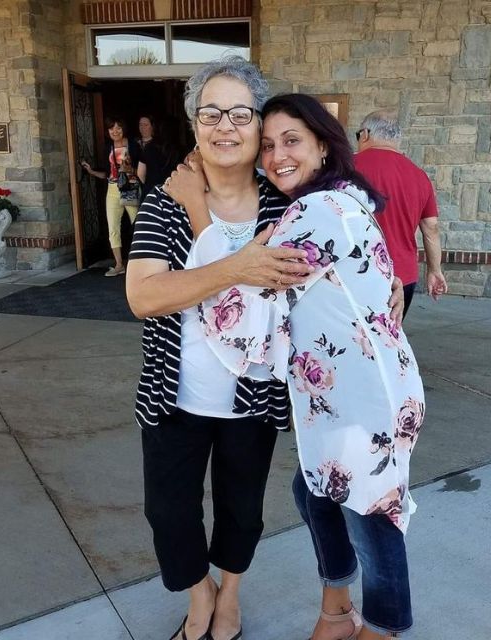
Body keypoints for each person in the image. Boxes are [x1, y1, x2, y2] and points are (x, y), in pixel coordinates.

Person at [179, 93, 424, 640]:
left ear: (323, 145)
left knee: (370, 513)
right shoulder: (338, 201)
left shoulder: (319, 210)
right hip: (350, 392)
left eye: (292, 141)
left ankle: (381, 628)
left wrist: (198, 209)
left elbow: (246, 304)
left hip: (364, 398)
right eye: (267, 145)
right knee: (313, 492)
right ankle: (336, 611)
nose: (277, 156)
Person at [125, 57, 317, 640]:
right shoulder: (165, 202)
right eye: (211, 113)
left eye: (240, 113)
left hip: (254, 397)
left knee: (242, 509)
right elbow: (144, 296)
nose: (225, 126)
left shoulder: (286, 207)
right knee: (168, 512)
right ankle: (199, 591)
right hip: (173, 396)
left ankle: (228, 594)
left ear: (258, 124)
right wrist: (238, 267)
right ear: (194, 124)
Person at [354, 109, 447, 317]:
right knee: (391, 333)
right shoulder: (419, 176)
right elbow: (431, 228)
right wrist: (434, 270)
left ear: (365, 134)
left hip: (356, 272)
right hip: (404, 276)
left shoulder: (347, 168)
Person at [81, 116, 140, 276]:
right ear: (108, 131)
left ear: (123, 129)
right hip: (113, 188)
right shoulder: (108, 147)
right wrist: (91, 171)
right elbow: (107, 173)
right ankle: (119, 264)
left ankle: (139, 262)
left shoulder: (133, 144)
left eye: (118, 127)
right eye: (112, 128)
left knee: (137, 224)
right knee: (113, 227)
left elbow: (142, 169)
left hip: (130, 186)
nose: (115, 131)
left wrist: (130, 169)